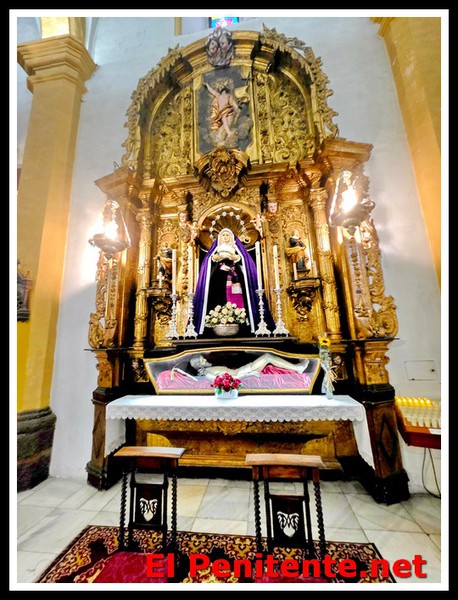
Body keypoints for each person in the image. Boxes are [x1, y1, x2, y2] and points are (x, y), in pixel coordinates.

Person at [192, 228, 274, 335]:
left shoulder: (235, 248)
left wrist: (234, 257)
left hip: (234, 276)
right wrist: (215, 258)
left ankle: (240, 321)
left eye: (227, 235)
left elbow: (244, 260)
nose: (225, 237)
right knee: (218, 297)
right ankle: (216, 319)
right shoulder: (216, 248)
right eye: (223, 235)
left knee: (236, 297)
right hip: (218, 277)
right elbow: (208, 262)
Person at [189, 353, 309, 381]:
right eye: (202, 360)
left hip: (243, 370)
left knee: (267, 356)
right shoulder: (207, 373)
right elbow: (228, 381)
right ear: (199, 365)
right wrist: (248, 375)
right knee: (267, 357)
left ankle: (297, 367)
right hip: (244, 372)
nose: (205, 359)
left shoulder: (209, 369)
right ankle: (298, 368)